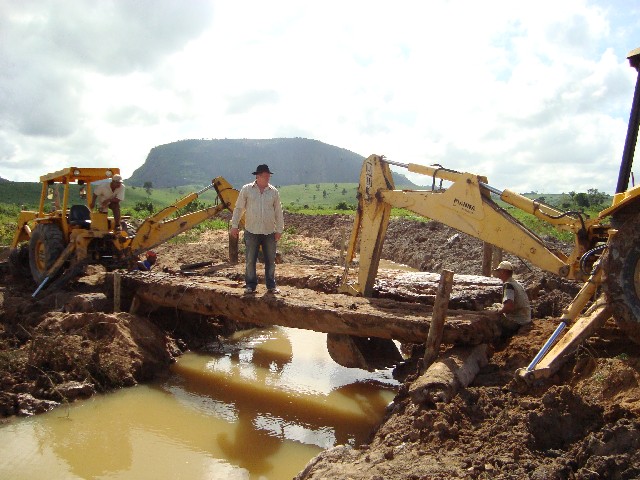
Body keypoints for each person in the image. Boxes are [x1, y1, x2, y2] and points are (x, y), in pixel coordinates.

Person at [230, 164, 284, 294]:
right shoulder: (247, 189)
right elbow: (239, 208)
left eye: (269, 176)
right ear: (258, 176)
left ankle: (271, 285)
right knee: (250, 259)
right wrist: (234, 226)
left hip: (269, 232)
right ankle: (250, 285)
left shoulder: (274, 191)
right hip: (251, 231)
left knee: (270, 260)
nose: (268, 178)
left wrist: (279, 230)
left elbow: (278, 212)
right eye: (266, 176)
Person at [493, 260, 532, 334]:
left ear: (503, 272)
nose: (498, 274)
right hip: (526, 319)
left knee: (492, 315)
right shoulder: (517, 284)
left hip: (517, 322)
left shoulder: (508, 285)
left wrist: (497, 312)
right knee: (496, 305)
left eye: (499, 271)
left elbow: (508, 307)